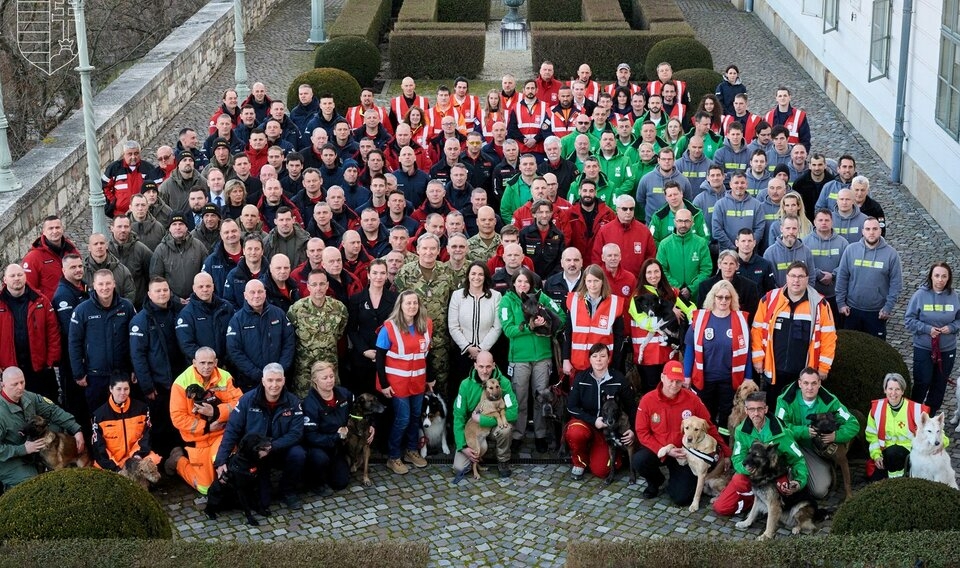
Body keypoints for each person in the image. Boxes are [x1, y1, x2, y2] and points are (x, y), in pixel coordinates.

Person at [634, 360, 730, 502]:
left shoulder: (692, 399)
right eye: (671, 380)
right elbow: (642, 432)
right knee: (639, 460)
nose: (674, 385)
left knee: (681, 498)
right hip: (659, 449)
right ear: (662, 377)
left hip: (686, 453)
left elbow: (709, 426)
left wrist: (726, 452)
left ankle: (675, 482)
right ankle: (656, 481)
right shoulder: (647, 400)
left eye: (678, 381)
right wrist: (663, 449)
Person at [215, 363, 306, 510]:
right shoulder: (246, 400)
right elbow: (232, 431)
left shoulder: (293, 402)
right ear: (263, 381)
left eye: (278, 380)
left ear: (284, 380)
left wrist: (271, 447)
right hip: (256, 456)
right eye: (270, 380)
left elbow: (296, 433)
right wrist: (220, 461)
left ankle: (287, 490)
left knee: (299, 454)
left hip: (280, 449)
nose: (274, 385)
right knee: (263, 503)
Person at [499, 268, 566, 453]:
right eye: (519, 281)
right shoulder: (506, 301)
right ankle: (518, 435)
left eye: (526, 282)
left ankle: (540, 435)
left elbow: (561, 316)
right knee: (519, 399)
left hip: (543, 357)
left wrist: (548, 324)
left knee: (541, 398)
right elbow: (508, 330)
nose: (523, 285)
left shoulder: (541, 297)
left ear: (532, 284)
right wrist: (530, 327)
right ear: (513, 283)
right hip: (519, 358)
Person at [751, 261, 837, 407]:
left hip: (802, 372)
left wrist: (823, 367)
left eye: (800, 276)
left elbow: (828, 338)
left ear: (807, 279)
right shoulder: (770, 299)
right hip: (774, 370)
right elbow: (757, 330)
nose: (796, 280)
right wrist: (758, 358)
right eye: (792, 276)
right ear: (786, 277)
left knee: (798, 411)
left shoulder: (819, 304)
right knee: (773, 408)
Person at [712, 391, 809, 517]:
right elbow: (737, 457)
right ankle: (754, 502)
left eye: (759, 409)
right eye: (752, 409)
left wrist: (799, 481)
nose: (756, 413)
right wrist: (746, 469)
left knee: (785, 488)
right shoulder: (741, 431)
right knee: (721, 507)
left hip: (775, 476)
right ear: (746, 410)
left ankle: (770, 506)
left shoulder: (782, 433)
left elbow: (798, 460)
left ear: (766, 409)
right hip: (753, 476)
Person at [166, 347, 243, 494]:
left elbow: (240, 403)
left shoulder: (225, 377)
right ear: (194, 362)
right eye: (202, 363)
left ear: (216, 362)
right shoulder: (181, 382)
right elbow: (177, 418)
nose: (206, 367)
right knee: (205, 489)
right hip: (198, 440)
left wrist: (216, 412)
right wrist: (207, 427)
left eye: (210, 363)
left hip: (221, 434)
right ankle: (178, 461)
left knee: (222, 464)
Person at [774, 367, 859, 499]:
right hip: (792, 445)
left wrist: (836, 435)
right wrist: (803, 432)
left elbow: (853, 423)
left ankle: (822, 468)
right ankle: (792, 475)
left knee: (820, 491)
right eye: (806, 383)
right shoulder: (785, 401)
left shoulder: (830, 401)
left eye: (814, 383)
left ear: (819, 383)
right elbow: (779, 428)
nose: (810, 387)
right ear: (799, 383)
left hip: (814, 451)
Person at [684, 280, 752, 436]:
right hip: (704, 379)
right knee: (705, 415)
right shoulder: (700, 318)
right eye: (719, 297)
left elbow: (746, 351)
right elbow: (690, 348)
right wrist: (686, 375)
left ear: (732, 299)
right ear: (713, 297)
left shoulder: (740, 320)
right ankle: (706, 449)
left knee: (725, 418)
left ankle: (723, 449)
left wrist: (748, 377)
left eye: (727, 297)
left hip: (729, 380)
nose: (723, 301)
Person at [376, 290, 433, 475]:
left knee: (416, 417)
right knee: (403, 419)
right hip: (397, 383)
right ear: (400, 305)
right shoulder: (389, 328)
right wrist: (384, 384)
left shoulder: (426, 325)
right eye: (408, 303)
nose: (412, 306)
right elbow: (379, 358)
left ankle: (411, 451)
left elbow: (426, 355)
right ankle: (393, 457)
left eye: (415, 303)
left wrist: (430, 378)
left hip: (418, 381)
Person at [0, 367, 84, 489]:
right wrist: (22, 449)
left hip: (33, 452)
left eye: (22, 382)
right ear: (3, 384)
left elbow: (53, 411)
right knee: (32, 485)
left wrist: (76, 429)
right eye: (15, 384)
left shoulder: (28, 397)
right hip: (9, 459)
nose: (20, 387)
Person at [394, 234, 458, 396]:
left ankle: (442, 418)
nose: (428, 252)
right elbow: (398, 304)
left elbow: (455, 302)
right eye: (424, 248)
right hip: (413, 337)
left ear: (438, 251)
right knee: (414, 380)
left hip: (440, 337)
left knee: (441, 380)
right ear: (417, 250)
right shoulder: (406, 272)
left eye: (432, 249)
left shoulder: (447, 272)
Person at [129, 277, 185, 458]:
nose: (162, 294)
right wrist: (147, 386)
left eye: (165, 290)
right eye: (158, 291)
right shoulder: (141, 320)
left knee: (179, 421)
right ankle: (160, 461)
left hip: (180, 381)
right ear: (149, 294)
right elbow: (138, 356)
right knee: (159, 424)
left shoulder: (179, 312)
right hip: (157, 385)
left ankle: (179, 459)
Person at [564, 343, 636, 480]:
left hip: (610, 429)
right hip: (587, 423)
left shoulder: (619, 379)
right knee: (575, 432)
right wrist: (593, 420)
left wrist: (632, 430)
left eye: (603, 356)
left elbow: (632, 406)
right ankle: (580, 462)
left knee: (602, 471)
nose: (599, 359)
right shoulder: (581, 378)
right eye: (595, 356)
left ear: (608, 358)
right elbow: (571, 407)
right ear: (589, 359)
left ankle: (600, 453)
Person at [69, 269, 136, 413]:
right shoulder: (82, 310)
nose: (104, 288)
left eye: (108, 283)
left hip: (122, 374)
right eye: (100, 284)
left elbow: (135, 341)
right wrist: (78, 373)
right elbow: (74, 342)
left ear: (114, 284)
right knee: (98, 416)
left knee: (124, 414)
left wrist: (134, 369)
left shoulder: (127, 307)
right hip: (95, 375)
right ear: (94, 285)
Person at [628, 259, 694, 393]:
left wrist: (693, 324)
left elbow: (691, 308)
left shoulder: (672, 292)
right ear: (643, 274)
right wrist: (670, 313)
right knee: (652, 392)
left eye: (656, 271)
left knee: (672, 392)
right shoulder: (637, 296)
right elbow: (645, 322)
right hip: (648, 355)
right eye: (649, 272)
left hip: (669, 352)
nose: (653, 276)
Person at [865, 373, 944, 481]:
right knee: (874, 479)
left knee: (894, 453)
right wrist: (876, 455)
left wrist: (939, 445)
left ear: (903, 391)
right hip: (884, 453)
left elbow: (935, 432)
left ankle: (897, 483)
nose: (893, 393)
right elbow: (872, 435)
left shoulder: (916, 410)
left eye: (897, 389)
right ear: (885, 390)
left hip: (909, 452)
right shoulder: (876, 409)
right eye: (890, 389)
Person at [904, 262, 960, 415]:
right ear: (931, 276)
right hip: (924, 348)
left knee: (939, 385)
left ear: (948, 278)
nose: (940, 280)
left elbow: (958, 320)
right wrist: (927, 329)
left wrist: (952, 327)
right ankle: (913, 415)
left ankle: (930, 416)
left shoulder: (954, 297)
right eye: (937, 276)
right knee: (923, 382)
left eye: (944, 276)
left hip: (947, 349)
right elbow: (909, 320)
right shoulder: (920, 295)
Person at [451, 351, 517, 479]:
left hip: (493, 427)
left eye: (488, 366)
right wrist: (462, 446)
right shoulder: (465, 385)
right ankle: (478, 454)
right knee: (459, 468)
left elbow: (513, 412)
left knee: (505, 429)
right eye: (481, 366)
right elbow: (458, 416)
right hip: (474, 432)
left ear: (493, 365)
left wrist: (484, 420)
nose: (485, 371)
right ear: (475, 365)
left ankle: (503, 461)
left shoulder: (503, 383)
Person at [0, 264, 60, 403]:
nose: (17, 278)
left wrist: (51, 360)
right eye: (12, 276)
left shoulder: (41, 300)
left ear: (25, 276)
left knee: (47, 405)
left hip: (39, 368)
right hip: (10, 370)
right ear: (5, 279)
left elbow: (53, 331)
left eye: (20, 275)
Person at [835, 217, 902, 340]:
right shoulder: (851, 250)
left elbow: (896, 284)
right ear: (863, 231)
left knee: (877, 351)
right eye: (868, 229)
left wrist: (888, 308)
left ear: (880, 231)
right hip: (852, 310)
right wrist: (840, 303)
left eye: (875, 229)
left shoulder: (891, 254)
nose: (871, 232)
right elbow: (842, 277)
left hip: (877, 313)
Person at [287, 270, 348, 399]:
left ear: (327, 285)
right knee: (304, 407)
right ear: (308, 286)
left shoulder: (339, 308)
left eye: (321, 284)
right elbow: (290, 336)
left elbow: (340, 332)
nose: (318, 288)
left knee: (332, 403)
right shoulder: (297, 309)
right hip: (305, 371)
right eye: (314, 285)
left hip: (329, 369)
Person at [225, 279, 295, 392]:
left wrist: (279, 370)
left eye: (260, 292)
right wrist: (257, 374)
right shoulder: (237, 320)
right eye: (252, 292)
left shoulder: (279, 314)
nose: (256, 296)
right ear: (245, 295)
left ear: (265, 293)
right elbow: (234, 351)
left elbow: (289, 343)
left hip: (277, 381)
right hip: (250, 383)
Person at [302, 361, 358, 496]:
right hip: (318, 447)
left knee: (341, 483)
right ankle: (315, 482)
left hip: (338, 447)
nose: (329, 381)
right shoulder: (309, 404)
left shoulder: (344, 394)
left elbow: (359, 410)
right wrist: (336, 437)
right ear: (315, 380)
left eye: (331, 376)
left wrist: (370, 425)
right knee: (319, 458)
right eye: (324, 378)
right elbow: (310, 437)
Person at [447, 262, 503, 396]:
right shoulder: (457, 295)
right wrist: (468, 347)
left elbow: (497, 326)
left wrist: (482, 350)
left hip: (488, 353)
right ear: (468, 276)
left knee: (488, 392)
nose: (476, 277)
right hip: (463, 353)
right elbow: (453, 326)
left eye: (480, 274)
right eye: (473, 274)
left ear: (485, 277)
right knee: (463, 391)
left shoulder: (495, 297)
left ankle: (485, 417)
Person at [562, 264, 626, 377]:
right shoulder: (574, 301)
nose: (592, 285)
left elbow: (619, 338)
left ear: (602, 281)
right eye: (589, 281)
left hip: (604, 365)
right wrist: (565, 359)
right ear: (584, 281)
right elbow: (567, 333)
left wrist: (615, 365)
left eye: (596, 281)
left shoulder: (614, 303)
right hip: (578, 363)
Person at [91, 375, 161, 472]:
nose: (123, 393)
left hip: (135, 458)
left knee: (153, 460)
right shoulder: (99, 415)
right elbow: (98, 447)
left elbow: (147, 435)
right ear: (111, 389)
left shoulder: (142, 409)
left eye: (126, 389)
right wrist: (115, 468)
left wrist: (137, 455)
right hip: (112, 461)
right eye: (119, 389)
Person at [656, 208, 712, 305]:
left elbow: (706, 270)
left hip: (696, 296)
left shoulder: (701, 243)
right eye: (680, 221)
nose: (683, 225)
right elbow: (661, 269)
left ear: (692, 222)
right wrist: (677, 288)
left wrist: (691, 289)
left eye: (687, 221)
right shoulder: (664, 244)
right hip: (672, 296)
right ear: (674, 222)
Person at [22, 215, 81, 301]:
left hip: (74, 302)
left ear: (62, 229)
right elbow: (29, 288)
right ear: (44, 232)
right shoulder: (33, 258)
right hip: (50, 308)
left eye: (57, 227)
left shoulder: (71, 250)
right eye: (50, 228)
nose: (55, 231)